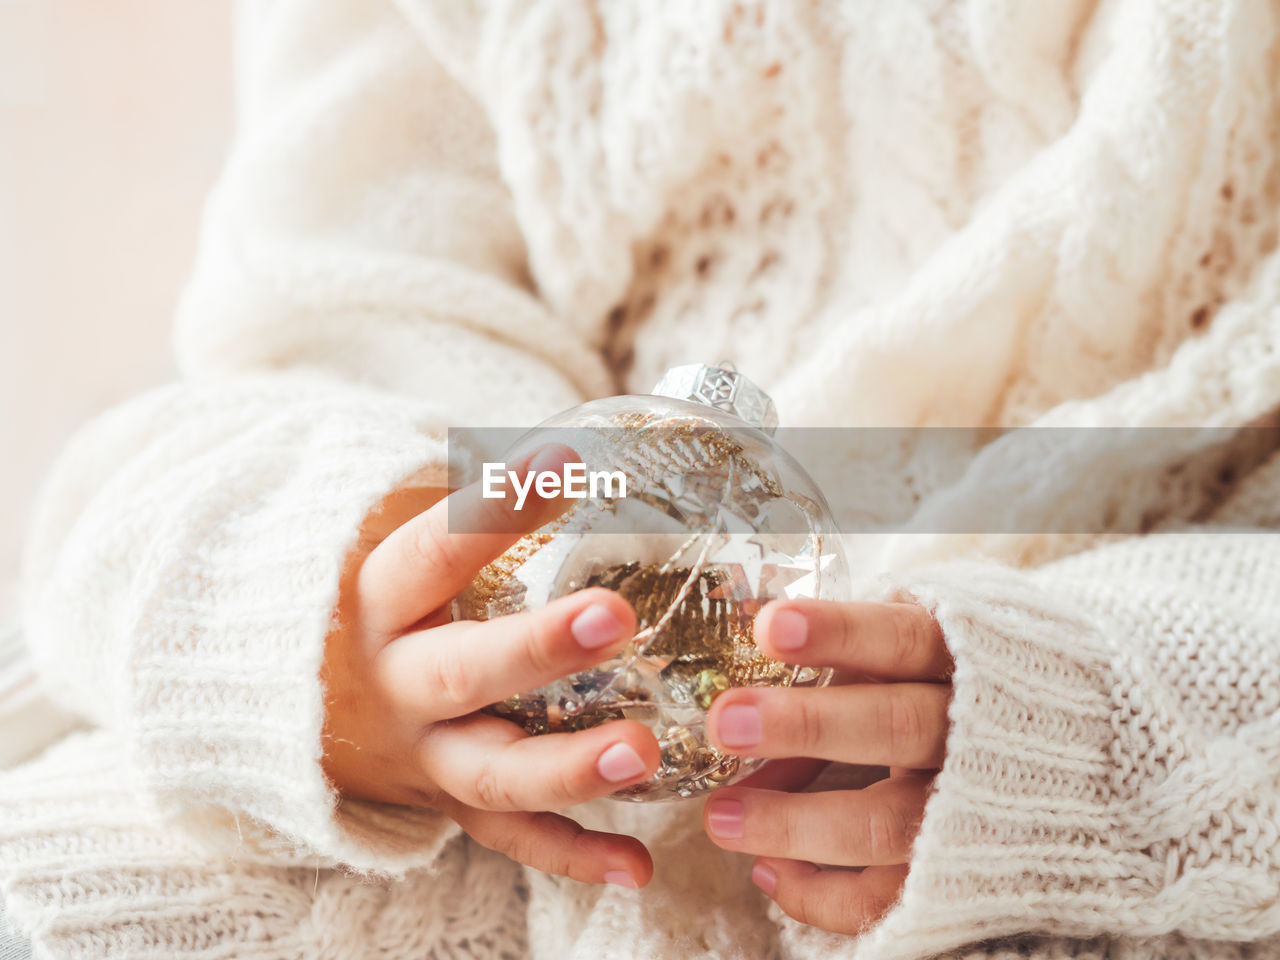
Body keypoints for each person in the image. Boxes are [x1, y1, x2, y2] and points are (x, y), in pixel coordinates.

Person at [2, 1, 1279, 957]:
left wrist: (1075, 726)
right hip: (476, 797)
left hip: (1085, 810)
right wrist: (351, 622)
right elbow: (312, 335)